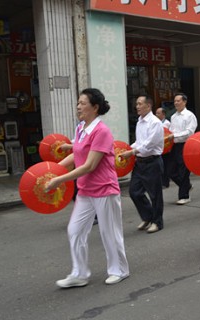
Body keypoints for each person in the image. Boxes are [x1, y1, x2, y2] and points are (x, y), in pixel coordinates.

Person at [45, 88, 129, 288]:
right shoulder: (81, 127)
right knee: (75, 230)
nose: (78, 107)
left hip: (105, 189)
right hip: (85, 190)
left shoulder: (102, 131)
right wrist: (53, 170)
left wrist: (60, 180)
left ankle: (119, 270)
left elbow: (89, 165)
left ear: (95, 107)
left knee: (109, 232)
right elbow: (76, 153)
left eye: (82, 103)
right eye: (78, 103)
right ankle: (79, 273)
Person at [121, 95, 164, 233]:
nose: (137, 106)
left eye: (140, 104)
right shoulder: (140, 121)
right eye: (137, 104)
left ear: (148, 106)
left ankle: (157, 222)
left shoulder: (155, 123)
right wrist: (126, 149)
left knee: (155, 194)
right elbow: (140, 142)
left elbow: (149, 144)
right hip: (140, 162)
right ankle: (147, 216)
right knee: (134, 192)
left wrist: (132, 152)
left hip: (152, 162)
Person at [166, 93, 198, 204]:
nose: (176, 103)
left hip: (186, 145)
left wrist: (174, 136)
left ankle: (184, 196)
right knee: (170, 170)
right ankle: (187, 186)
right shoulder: (173, 116)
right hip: (174, 145)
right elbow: (171, 131)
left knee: (183, 170)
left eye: (178, 101)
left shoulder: (189, 116)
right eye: (175, 101)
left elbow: (189, 132)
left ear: (184, 102)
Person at [155, 107, 171, 188]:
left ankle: (165, 182)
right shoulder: (156, 122)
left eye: (158, 113)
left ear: (163, 114)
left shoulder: (166, 123)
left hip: (166, 147)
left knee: (165, 165)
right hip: (159, 147)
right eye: (156, 113)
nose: (156, 115)